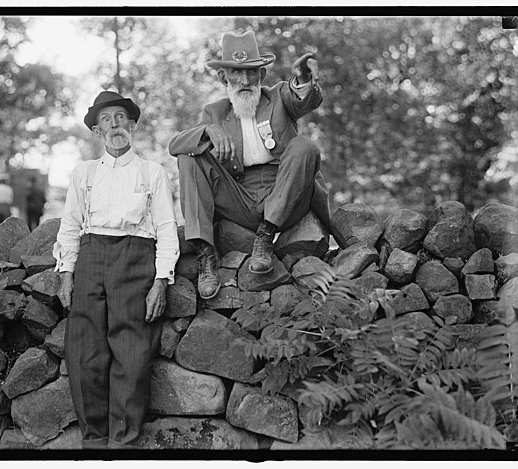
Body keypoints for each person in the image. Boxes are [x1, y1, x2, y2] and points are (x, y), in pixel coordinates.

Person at [53, 90, 179, 449]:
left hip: (135, 257)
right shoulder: (84, 174)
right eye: (106, 120)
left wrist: (161, 280)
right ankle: (94, 441)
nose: (114, 125)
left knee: (132, 353)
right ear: (97, 131)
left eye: (120, 118)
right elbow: (71, 225)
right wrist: (66, 271)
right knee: (85, 353)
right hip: (92, 257)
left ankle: (123, 444)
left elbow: (167, 227)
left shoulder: (152, 173)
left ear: (133, 125)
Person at [169, 30, 331, 300]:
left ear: (262, 76)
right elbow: (175, 145)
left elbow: (305, 99)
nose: (244, 80)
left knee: (305, 146)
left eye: (251, 72)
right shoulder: (215, 112)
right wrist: (209, 130)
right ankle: (206, 257)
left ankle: (265, 238)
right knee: (189, 157)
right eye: (236, 72)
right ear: (224, 78)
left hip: (286, 193)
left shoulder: (279, 96)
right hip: (240, 199)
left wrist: (303, 79)